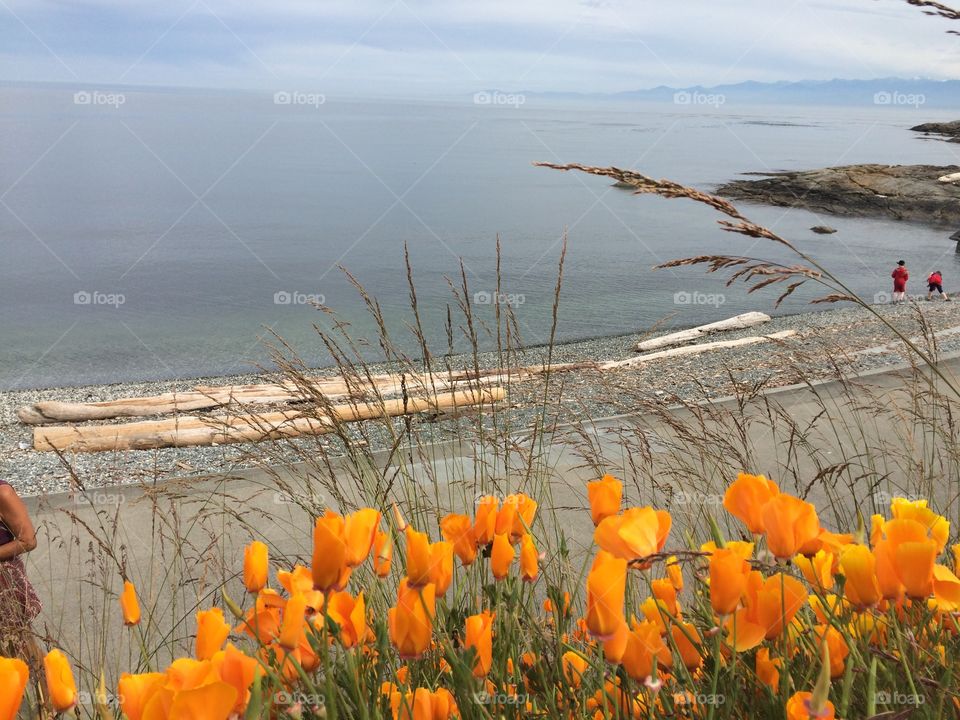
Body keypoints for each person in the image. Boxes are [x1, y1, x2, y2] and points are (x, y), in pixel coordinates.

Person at [0, 479, 42, 670]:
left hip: (4, 583)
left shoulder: (3, 493)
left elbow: (28, 540)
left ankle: (50, 698)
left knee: (19, 648)